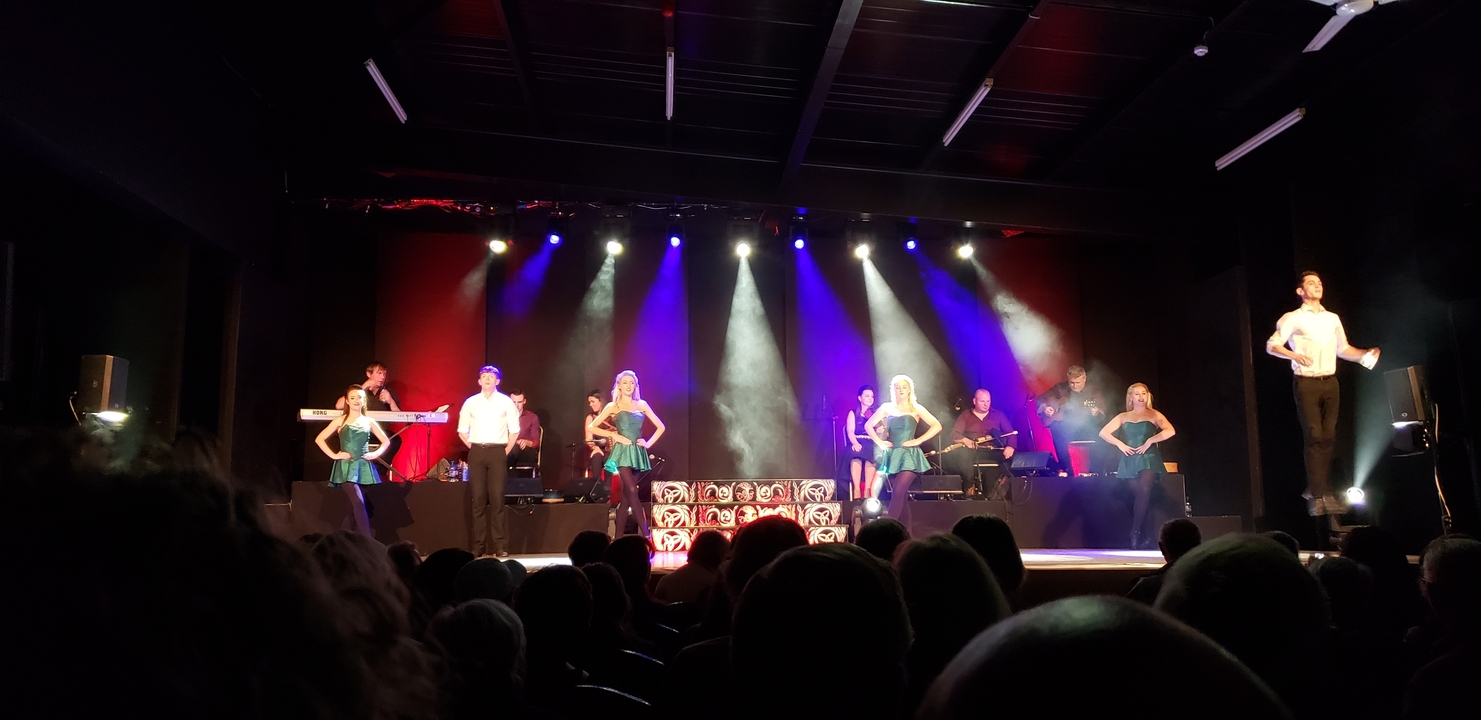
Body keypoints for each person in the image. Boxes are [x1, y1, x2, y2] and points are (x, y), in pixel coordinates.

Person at [1265, 271, 1380, 519]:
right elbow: (1272, 345)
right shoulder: (1293, 318)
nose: (1317, 286)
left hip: (1330, 382)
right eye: (1311, 283)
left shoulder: (1332, 318)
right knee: (1315, 435)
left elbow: (1343, 348)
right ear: (1300, 291)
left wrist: (1363, 355)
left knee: (1328, 437)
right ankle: (1318, 495)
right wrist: (1294, 355)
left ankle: (1318, 490)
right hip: (1307, 382)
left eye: (1319, 283)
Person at [587, 370, 666, 538]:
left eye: (632, 383)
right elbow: (592, 427)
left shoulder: (641, 404)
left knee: (626, 497)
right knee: (631, 489)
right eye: (625, 383)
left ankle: (617, 538)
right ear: (619, 386)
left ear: (636, 385)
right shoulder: (612, 406)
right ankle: (646, 535)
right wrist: (614, 435)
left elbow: (661, 427)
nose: (629, 386)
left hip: (637, 452)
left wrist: (648, 443)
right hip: (622, 452)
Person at [1099, 383, 1176, 549]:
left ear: (1148, 396)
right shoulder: (1123, 416)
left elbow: (1170, 430)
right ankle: (1148, 536)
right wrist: (1120, 444)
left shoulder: (1154, 414)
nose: (1141, 397)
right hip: (1130, 458)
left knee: (1145, 490)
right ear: (1130, 397)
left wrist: (1151, 440)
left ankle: (1134, 532)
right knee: (1141, 497)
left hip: (1148, 457)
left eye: (1144, 393)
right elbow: (1103, 433)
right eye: (1137, 394)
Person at [457, 365, 521, 558]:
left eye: (491, 377)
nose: (487, 379)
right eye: (484, 376)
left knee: (497, 498)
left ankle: (500, 546)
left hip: (497, 451)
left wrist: (504, 451)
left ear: (497, 381)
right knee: (477, 499)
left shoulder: (506, 402)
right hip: (477, 450)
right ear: (479, 381)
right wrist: (475, 447)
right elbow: (462, 430)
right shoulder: (470, 402)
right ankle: (478, 546)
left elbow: (514, 430)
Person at [866, 374, 943, 526]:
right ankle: (907, 535)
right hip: (893, 455)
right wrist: (880, 442)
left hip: (909, 455)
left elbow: (937, 426)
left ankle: (886, 528)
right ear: (893, 390)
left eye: (904, 387)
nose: (900, 390)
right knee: (902, 498)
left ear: (909, 390)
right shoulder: (886, 407)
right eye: (897, 387)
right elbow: (868, 425)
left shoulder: (915, 408)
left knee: (898, 492)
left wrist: (918, 440)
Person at [315, 384, 390, 537]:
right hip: (346, 466)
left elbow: (386, 441)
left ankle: (341, 542)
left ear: (364, 400)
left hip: (363, 466)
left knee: (353, 509)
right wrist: (334, 455)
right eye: (353, 398)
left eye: (360, 397)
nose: (357, 400)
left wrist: (375, 454)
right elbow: (319, 439)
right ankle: (368, 541)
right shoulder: (340, 420)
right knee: (358, 502)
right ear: (347, 401)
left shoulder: (369, 421)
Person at [1036, 365, 1107, 474]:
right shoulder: (1060, 387)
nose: (1074, 386)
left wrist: (1096, 412)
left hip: (1085, 427)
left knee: (1096, 432)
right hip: (1063, 429)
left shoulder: (1093, 391)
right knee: (1057, 430)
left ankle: (1092, 472)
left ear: (1084, 378)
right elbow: (1040, 399)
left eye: (1077, 383)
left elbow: (1102, 410)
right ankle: (1066, 469)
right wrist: (1046, 408)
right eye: (1071, 383)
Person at [946, 389, 1017, 497]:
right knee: (964, 454)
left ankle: (1008, 485)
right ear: (975, 401)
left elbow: (1011, 434)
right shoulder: (965, 416)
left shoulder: (999, 415)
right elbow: (954, 434)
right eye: (982, 401)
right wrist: (965, 440)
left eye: (988, 401)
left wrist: (1010, 446)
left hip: (994, 450)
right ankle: (970, 487)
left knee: (1011, 458)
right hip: (974, 450)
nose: (985, 404)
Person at [336, 360, 402, 465]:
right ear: (369, 374)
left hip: (381, 432)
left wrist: (391, 401)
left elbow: (400, 416)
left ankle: (379, 470)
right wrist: (363, 387)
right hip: (361, 430)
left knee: (396, 440)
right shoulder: (358, 391)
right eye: (379, 373)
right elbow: (339, 405)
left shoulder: (388, 392)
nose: (383, 377)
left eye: (384, 374)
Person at [583, 389, 618, 503]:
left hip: (612, 450)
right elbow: (588, 439)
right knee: (597, 457)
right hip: (597, 449)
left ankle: (606, 497)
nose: (591, 404)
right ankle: (595, 495)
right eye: (589, 402)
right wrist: (595, 447)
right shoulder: (591, 418)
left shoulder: (612, 416)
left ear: (600, 401)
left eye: (593, 401)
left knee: (609, 460)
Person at [845, 385, 879, 501]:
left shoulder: (876, 414)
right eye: (867, 396)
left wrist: (880, 431)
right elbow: (850, 431)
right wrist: (855, 443)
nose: (870, 398)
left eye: (872, 396)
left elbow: (883, 433)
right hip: (857, 441)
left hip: (870, 443)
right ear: (860, 398)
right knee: (856, 454)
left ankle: (867, 491)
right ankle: (857, 490)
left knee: (872, 454)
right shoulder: (853, 413)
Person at [506, 389, 540, 471]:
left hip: (525, 451)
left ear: (524, 401)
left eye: (519, 402)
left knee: (515, 449)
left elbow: (536, 442)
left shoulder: (532, 417)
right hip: (507, 448)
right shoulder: (503, 417)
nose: (516, 405)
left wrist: (525, 442)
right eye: (514, 402)